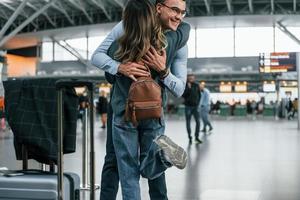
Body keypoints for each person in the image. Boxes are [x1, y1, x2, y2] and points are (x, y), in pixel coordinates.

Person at [91, 0, 190, 199]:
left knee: (124, 165)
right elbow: (99, 58)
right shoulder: (176, 38)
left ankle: (159, 159)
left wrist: (163, 71)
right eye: (175, 10)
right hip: (151, 108)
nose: (180, 17)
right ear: (158, 7)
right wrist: (120, 67)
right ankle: (162, 157)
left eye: (183, 12)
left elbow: (100, 59)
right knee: (146, 158)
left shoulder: (127, 34)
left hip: (124, 106)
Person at [182, 74, 201, 144]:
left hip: (195, 107)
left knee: (198, 122)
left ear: (194, 78)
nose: (191, 79)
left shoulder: (196, 85)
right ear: (187, 78)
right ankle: (190, 137)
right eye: (189, 78)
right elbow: (183, 95)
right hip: (188, 107)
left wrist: (198, 103)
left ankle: (196, 137)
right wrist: (188, 89)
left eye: (192, 78)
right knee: (188, 122)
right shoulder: (185, 85)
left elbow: (199, 95)